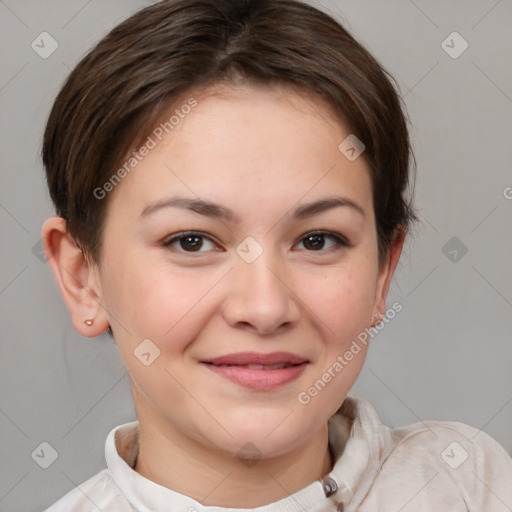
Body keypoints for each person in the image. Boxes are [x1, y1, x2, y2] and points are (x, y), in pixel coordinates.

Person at [40, 0, 512, 510]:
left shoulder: (470, 485)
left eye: (317, 240)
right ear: (83, 278)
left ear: (382, 272)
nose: (264, 309)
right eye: (192, 241)